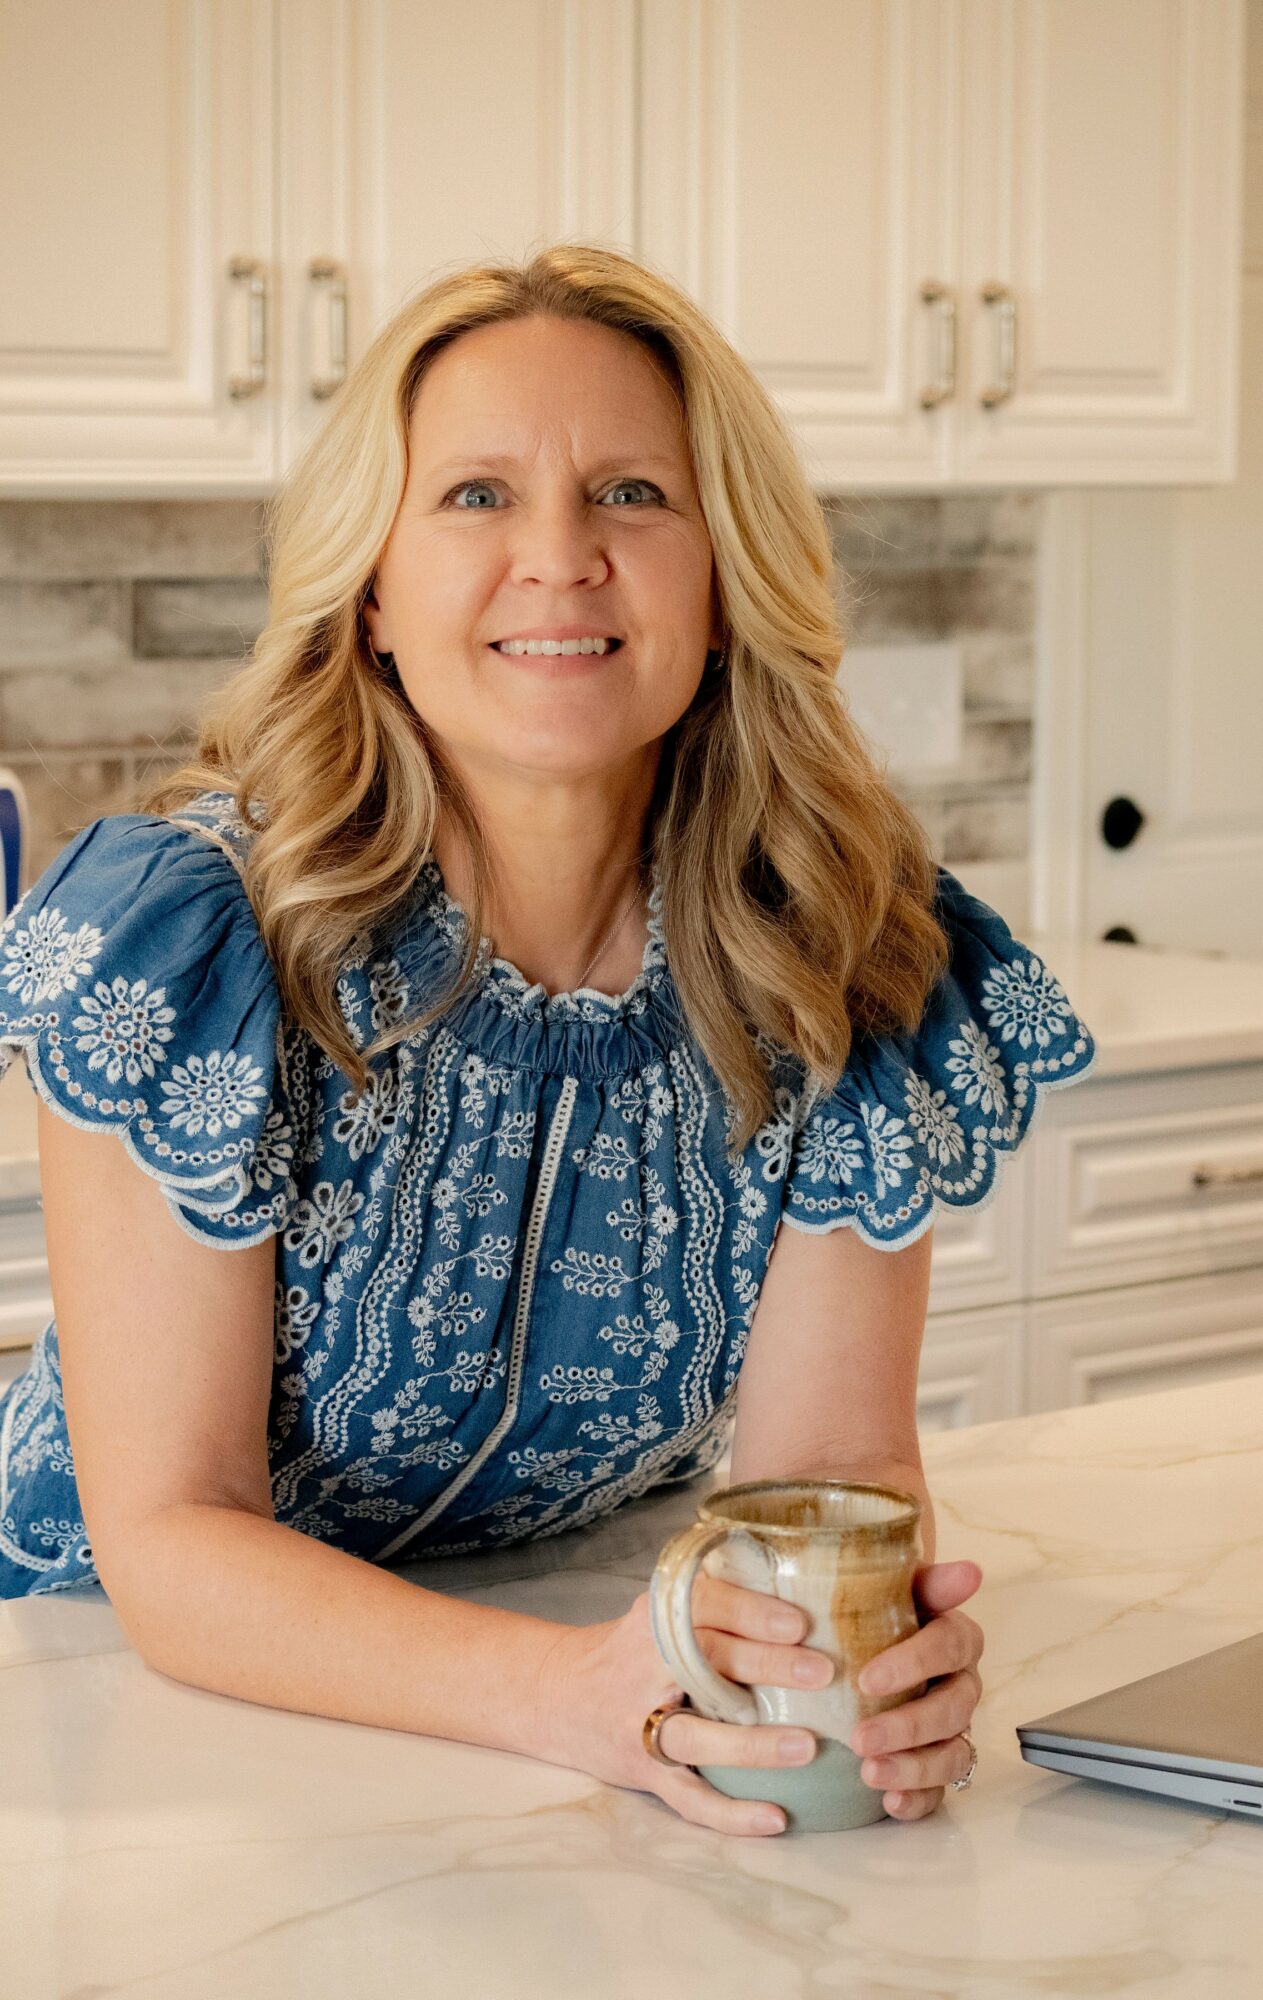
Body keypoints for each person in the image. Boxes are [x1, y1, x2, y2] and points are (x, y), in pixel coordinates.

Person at [0, 243, 1095, 1835]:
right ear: (370, 589)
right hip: (89, 1710)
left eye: (636, 494)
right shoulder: (196, 936)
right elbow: (171, 1540)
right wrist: (575, 1696)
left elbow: (822, 1480)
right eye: (474, 497)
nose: (561, 558)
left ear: (726, 583)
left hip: (538, 1682)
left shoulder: (843, 952)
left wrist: (866, 1664)